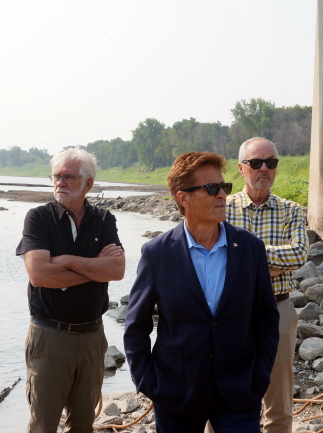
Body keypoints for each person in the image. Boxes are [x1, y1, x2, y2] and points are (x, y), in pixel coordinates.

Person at [124, 151, 280, 433]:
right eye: (211, 189)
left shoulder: (249, 248)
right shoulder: (156, 253)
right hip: (176, 393)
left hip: (239, 393)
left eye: (224, 187)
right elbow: (136, 326)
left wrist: (259, 376)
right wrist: (149, 382)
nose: (222, 195)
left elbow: (266, 318)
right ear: (183, 198)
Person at [16, 148, 125, 433]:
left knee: (84, 424)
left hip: (92, 337)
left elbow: (117, 270)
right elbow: (39, 274)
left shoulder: (103, 220)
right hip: (50, 336)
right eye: (56, 176)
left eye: (68, 177)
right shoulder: (38, 218)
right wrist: (95, 267)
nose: (59, 183)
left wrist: (65, 261)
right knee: (43, 424)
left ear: (87, 184)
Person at [225, 137, 309, 433]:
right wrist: (270, 260)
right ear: (240, 168)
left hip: (278, 310)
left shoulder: (292, 210)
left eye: (271, 163)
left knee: (280, 399)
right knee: (223, 394)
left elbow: (299, 253)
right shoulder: (222, 209)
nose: (264, 168)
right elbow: (216, 258)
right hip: (229, 314)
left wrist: (245, 254)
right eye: (256, 162)